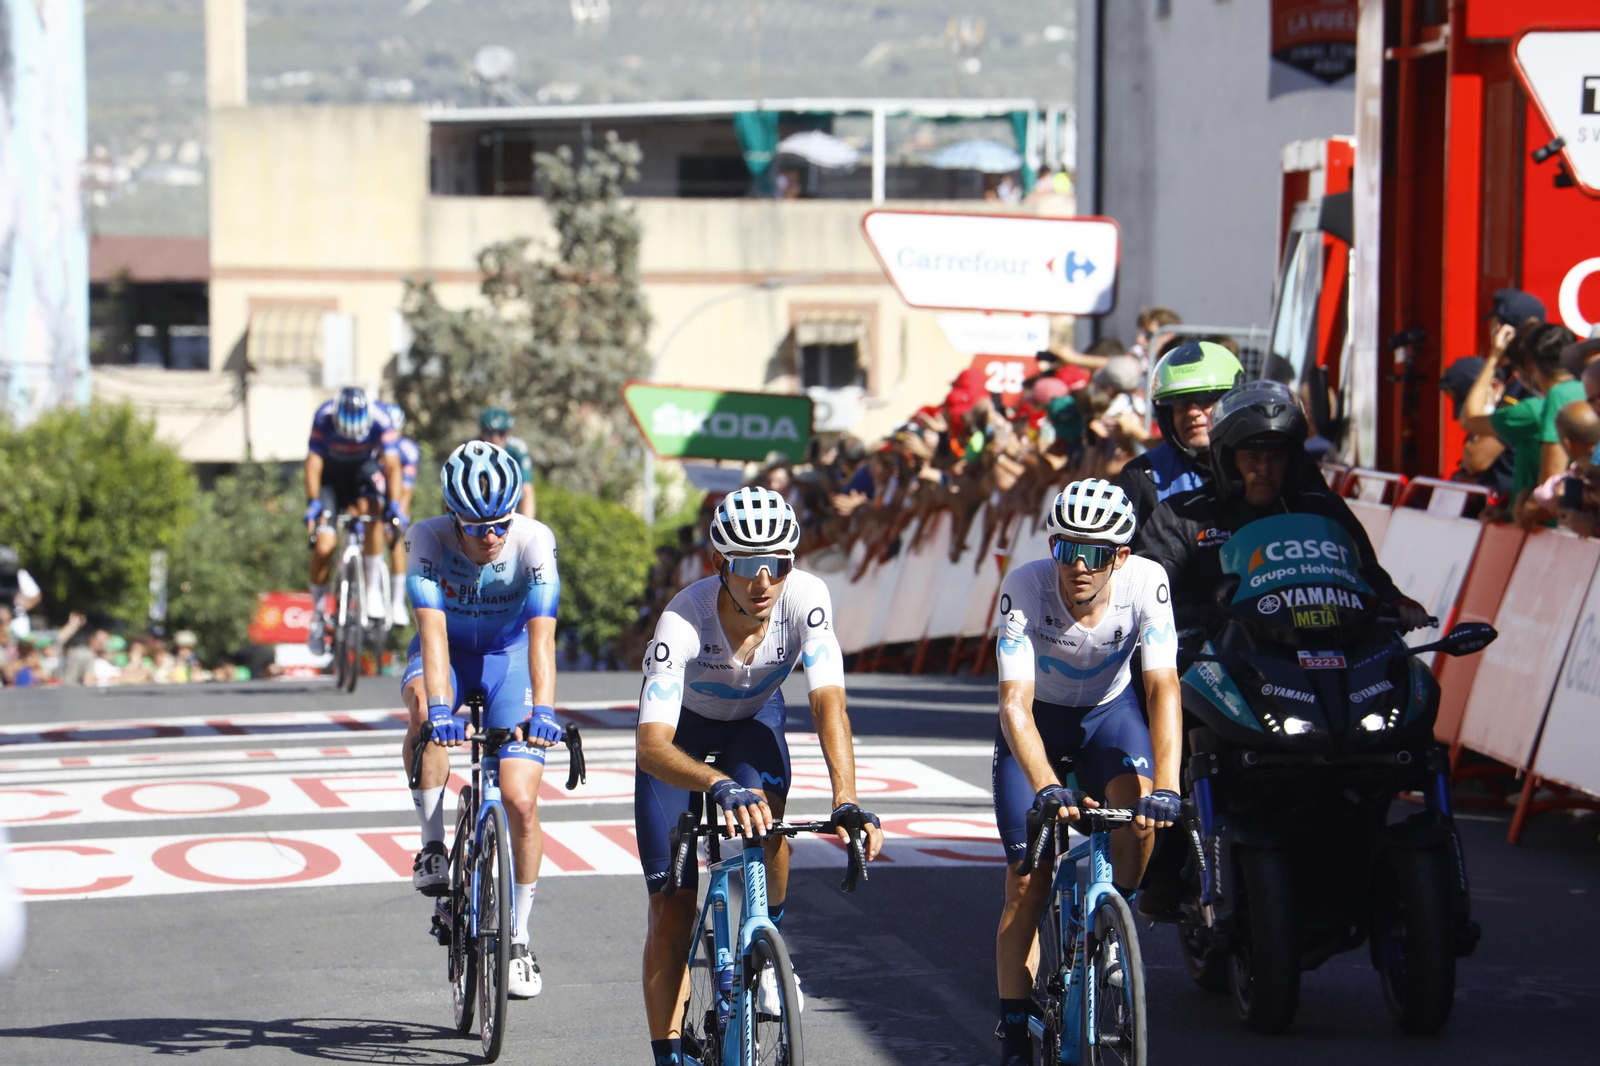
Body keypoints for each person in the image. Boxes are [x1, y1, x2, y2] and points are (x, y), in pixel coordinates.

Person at [633, 486, 884, 1066]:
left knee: (767, 824)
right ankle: (668, 1054)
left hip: (753, 722)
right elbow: (651, 747)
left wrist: (846, 797)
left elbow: (828, 703)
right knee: (671, 910)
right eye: (747, 565)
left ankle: (767, 947)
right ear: (719, 564)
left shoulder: (806, 598)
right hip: (681, 741)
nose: (764, 580)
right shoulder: (683, 619)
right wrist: (715, 785)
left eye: (779, 564)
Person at [991, 479, 1182, 1066]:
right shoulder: (1025, 586)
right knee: (1029, 878)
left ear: (1120, 557)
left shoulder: (1146, 582)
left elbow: (1162, 687)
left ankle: (1112, 921)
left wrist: (1171, 786)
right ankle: (1015, 1025)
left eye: (1095, 553)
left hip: (1110, 715)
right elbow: (1014, 706)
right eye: (1066, 548)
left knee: (1142, 814)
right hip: (1038, 723)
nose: (1077, 565)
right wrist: (1048, 785)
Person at [402, 441, 561, 1000]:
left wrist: (543, 711)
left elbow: (543, 636)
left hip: (509, 658)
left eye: (499, 524)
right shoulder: (427, 538)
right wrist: (442, 710)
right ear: (452, 517)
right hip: (446, 652)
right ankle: (431, 843)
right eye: (476, 527)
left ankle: (517, 938)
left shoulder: (534, 540)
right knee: (423, 707)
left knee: (519, 797)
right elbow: (432, 633)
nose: (490, 537)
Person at [1139, 380, 1429, 631]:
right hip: (1217, 662)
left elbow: (1365, 570)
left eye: (1276, 456)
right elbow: (1145, 595)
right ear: (1228, 460)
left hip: (1319, 650)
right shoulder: (1183, 515)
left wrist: (1397, 601)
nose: (1265, 468)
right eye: (1253, 457)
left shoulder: (1321, 507)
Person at [303, 387, 405, 651]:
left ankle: (372, 590)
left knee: (375, 510)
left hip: (363, 473)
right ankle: (316, 616)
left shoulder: (381, 417)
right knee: (324, 544)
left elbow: (393, 464)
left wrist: (393, 503)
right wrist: (313, 501)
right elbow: (313, 461)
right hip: (331, 480)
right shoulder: (324, 416)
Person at [1116, 341, 1245, 534]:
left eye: (1205, 399)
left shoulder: (1264, 461)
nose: (1193, 412)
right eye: (1180, 403)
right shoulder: (1142, 475)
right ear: (1167, 416)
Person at [387, 403, 421, 626]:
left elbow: (406, 489)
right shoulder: (371, 445)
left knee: (396, 538)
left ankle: (397, 601)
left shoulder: (407, 450)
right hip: (372, 494)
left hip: (396, 497)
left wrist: (401, 512)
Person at [478, 407, 537, 520]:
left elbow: (527, 489)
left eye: (500, 433)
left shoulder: (517, 449)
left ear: (508, 433)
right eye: (489, 433)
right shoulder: (470, 449)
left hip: (512, 506)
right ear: (481, 433)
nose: (495, 439)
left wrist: (528, 523)